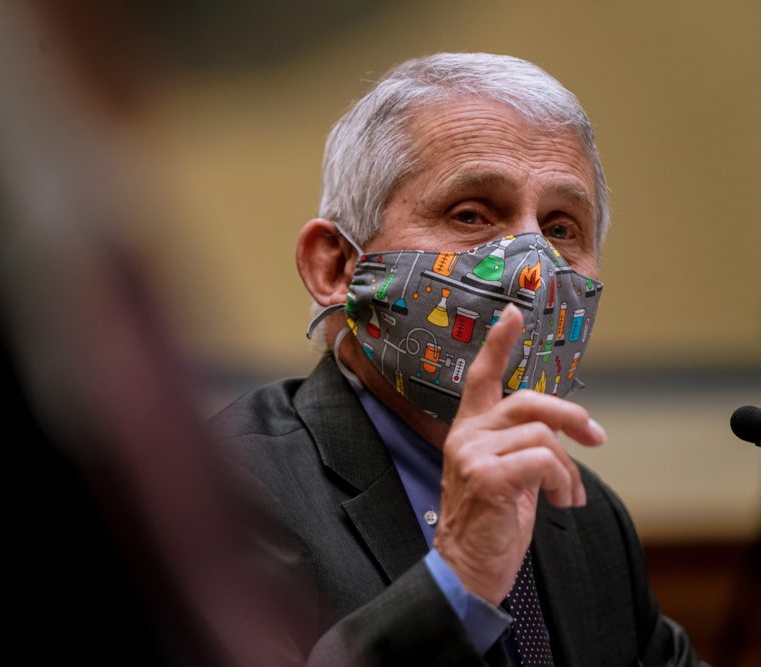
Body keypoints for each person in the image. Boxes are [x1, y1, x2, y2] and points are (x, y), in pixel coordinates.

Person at [214, 53, 703, 665]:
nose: (531, 268)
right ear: (335, 266)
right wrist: (456, 585)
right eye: (471, 214)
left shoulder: (585, 516)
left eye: (560, 229)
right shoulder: (221, 493)